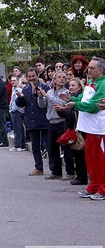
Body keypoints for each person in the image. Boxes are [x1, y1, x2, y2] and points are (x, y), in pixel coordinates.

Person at [58, 56, 105, 200]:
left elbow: (94, 106)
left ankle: (102, 189)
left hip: (99, 129)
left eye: (92, 68)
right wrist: (72, 99)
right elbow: (85, 100)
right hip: (89, 128)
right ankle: (94, 186)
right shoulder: (91, 83)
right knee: (90, 159)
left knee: (100, 161)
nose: (88, 70)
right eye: (89, 67)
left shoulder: (102, 84)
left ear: (101, 70)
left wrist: (75, 105)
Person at [37, 71, 75, 180]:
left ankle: (70, 172)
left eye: (64, 77)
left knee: (66, 148)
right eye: (59, 77)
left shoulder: (67, 92)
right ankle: (56, 171)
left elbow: (62, 103)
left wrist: (46, 97)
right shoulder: (49, 92)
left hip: (62, 121)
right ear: (54, 80)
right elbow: (43, 105)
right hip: (51, 122)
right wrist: (40, 97)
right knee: (52, 148)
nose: (62, 79)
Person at [15, 68, 51, 176]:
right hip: (31, 121)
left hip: (44, 121)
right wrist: (21, 98)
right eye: (29, 76)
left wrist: (36, 94)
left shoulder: (45, 87)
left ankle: (54, 168)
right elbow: (20, 104)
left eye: (33, 76)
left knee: (49, 146)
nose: (31, 78)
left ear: (37, 76)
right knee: (35, 146)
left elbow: (47, 102)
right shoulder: (25, 89)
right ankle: (38, 167)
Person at [54, 78, 87, 185]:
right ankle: (80, 176)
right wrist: (60, 110)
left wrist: (62, 110)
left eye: (73, 85)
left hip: (80, 129)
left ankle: (82, 177)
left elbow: (74, 115)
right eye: (70, 85)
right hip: (73, 128)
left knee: (80, 154)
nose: (71, 87)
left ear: (79, 86)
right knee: (76, 154)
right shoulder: (72, 98)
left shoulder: (80, 98)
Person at [8, 76, 26, 152]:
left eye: (14, 80)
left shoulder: (18, 89)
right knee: (20, 128)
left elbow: (17, 101)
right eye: (12, 80)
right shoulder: (14, 88)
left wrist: (13, 109)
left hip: (17, 111)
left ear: (18, 81)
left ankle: (18, 145)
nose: (13, 82)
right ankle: (21, 144)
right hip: (15, 110)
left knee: (17, 128)